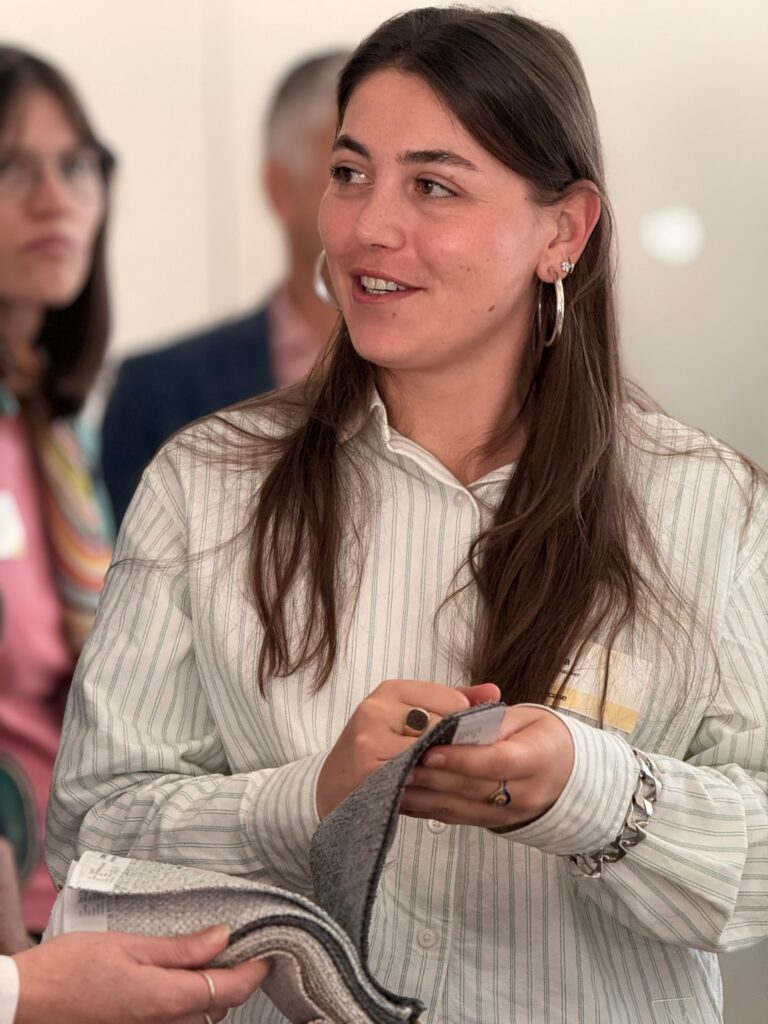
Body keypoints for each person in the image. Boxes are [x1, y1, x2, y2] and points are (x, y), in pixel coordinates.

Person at [47, 8, 767, 1023]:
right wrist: (310, 796)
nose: (365, 228)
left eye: (433, 185)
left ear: (563, 231)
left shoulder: (709, 503)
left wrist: (590, 791)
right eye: (350, 173)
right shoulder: (206, 484)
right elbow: (92, 834)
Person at [101, 50, 348, 526]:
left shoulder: (457, 381)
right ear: (281, 189)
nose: (383, 203)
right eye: (348, 171)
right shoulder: (158, 392)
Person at [0, 46, 113, 939]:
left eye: (75, 165)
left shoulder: (57, 428)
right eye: (11, 167)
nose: (55, 199)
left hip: (78, 908)